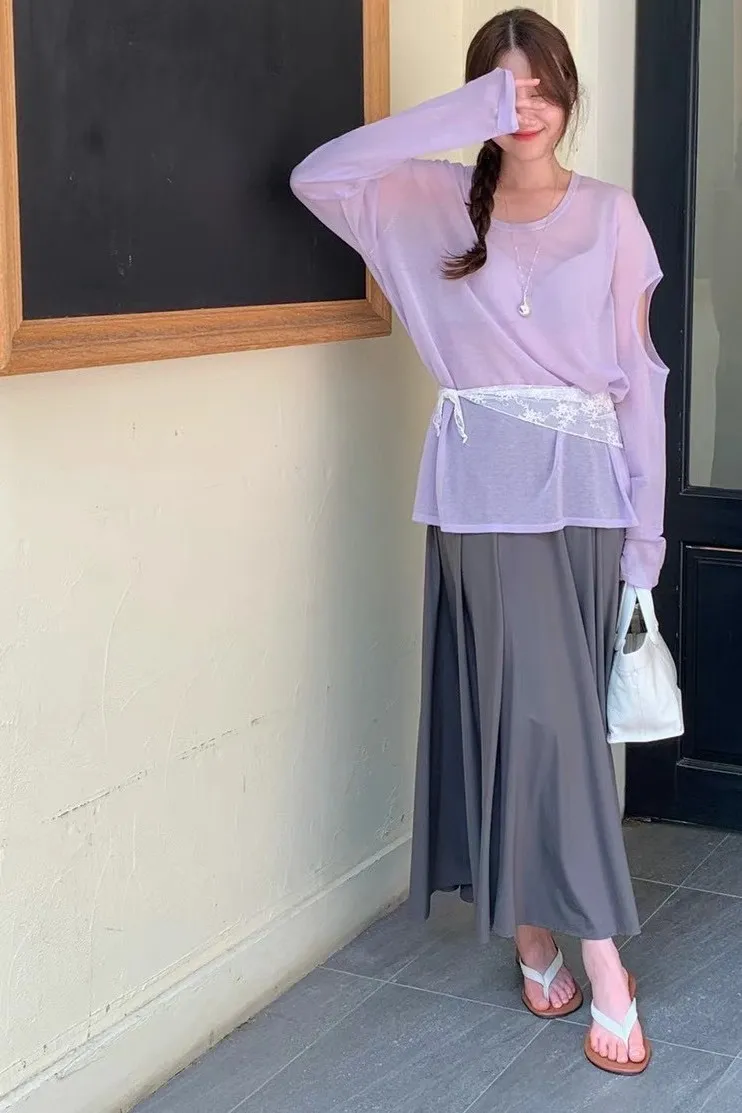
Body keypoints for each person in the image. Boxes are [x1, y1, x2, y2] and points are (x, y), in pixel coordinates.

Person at [291, 7, 667, 1076]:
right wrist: (460, 119)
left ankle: (565, 945)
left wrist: (646, 537)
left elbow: (640, 385)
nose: (525, 107)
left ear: (570, 92)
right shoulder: (425, 200)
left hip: (585, 497)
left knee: (555, 723)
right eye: (504, 89)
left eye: (540, 86)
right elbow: (317, 176)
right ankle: (567, 944)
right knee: (514, 714)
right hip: (478, 497)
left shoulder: (611, 214)